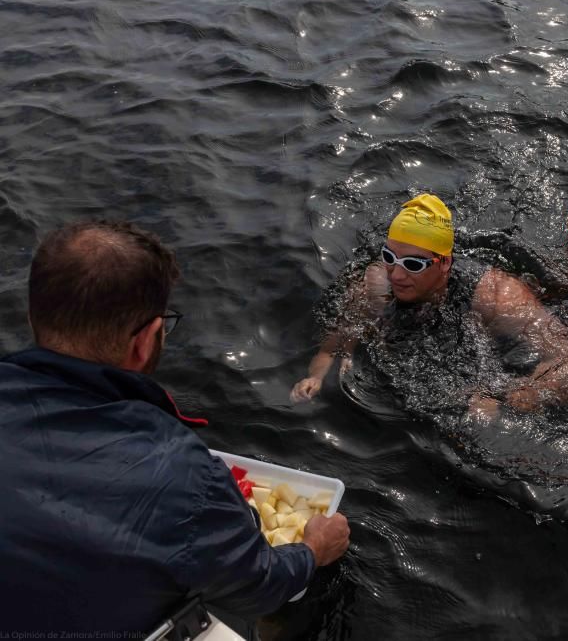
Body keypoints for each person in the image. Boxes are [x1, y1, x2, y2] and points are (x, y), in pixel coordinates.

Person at [0, 221, 350, 635]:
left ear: (34, 315)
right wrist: (312, 549)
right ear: (145, 341)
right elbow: (260, 584)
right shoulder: (178, 472)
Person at [290, 193, 568, 418]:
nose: (396, 273)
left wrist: (506, 398)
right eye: (389, 256)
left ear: (445, 262)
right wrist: (315, 376)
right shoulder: (376, 281)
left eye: (412, 263)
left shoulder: (496, 296)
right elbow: (333, 344)